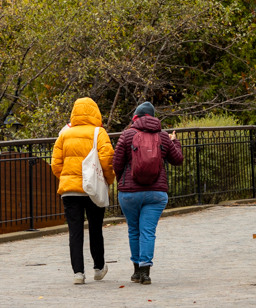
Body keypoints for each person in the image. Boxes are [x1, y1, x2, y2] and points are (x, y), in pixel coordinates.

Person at [113, 101, 184, 285]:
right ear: (153, 117)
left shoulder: (127, 135)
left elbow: (117, 163)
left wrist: (123, 182)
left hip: (129, 193)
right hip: (156, 193)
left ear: (136, 116)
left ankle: (136, 271)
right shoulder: (162, 136)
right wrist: (174, 140)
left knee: (133, 230)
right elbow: (177, 160)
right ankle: (146, 273)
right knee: (148, 231)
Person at [50, 97, 115, 285]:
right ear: (95, 112)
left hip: (70, 191)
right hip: (93, 189)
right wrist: (108, 181)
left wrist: (67, 178)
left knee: (74, 232)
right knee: (96, 229)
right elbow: (107, 160)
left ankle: (78, 273)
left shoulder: (64, 134)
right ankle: (98, 268)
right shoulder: (99, 133)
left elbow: (56, 164)